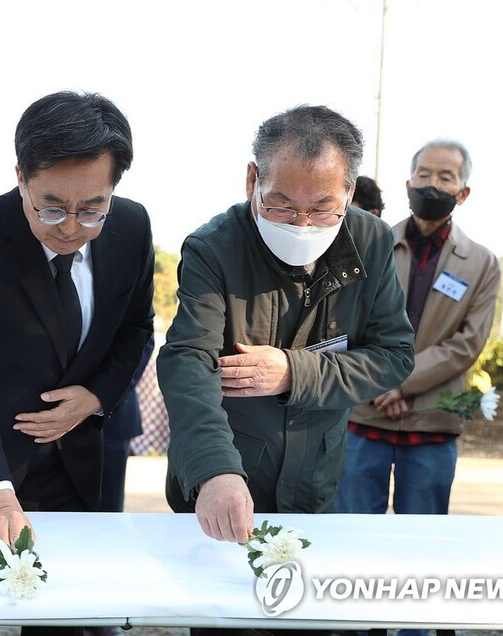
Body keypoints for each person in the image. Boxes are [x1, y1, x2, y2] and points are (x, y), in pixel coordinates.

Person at [0, 91, 154, 636]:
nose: (70, 226)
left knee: (64, 615)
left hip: (72, 467)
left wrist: (95, 396)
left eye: (92, 208)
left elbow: (136, 330)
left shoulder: (131, 228)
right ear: (20, 175)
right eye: (50, 206)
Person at [157, 104, 416, 558]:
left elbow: (394, 354)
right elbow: (187, 362)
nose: (301, 225)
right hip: (225, 477)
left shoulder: (371, 242)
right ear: (252, 181)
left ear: (349, 192)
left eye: (322, 210)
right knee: (221, 611)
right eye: (281, 206)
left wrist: (296, 372)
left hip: (315, 477)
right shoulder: (213, 247)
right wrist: (215, 471)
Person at [337, 140, 501, 518]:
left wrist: (401, 383)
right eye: (424, 174)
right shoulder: (369, 244)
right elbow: (346, 320)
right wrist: (380, 381)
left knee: (422, 545)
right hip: (364, 414)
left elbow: (467, 343)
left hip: (431, 422)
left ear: (463, 192)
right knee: (352, 538)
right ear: (408, 185)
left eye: (446, 177)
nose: (432, 184)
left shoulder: (481, 263)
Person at [100, 334, 154, 512]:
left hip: (114, 420)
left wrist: (105, 396)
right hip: (55, 421)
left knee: (109, 506)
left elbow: (143, 343)